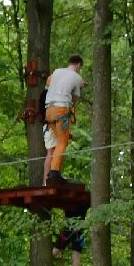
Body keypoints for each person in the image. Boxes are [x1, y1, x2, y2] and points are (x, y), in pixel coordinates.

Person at [45, 55, 85, 188]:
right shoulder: (78, 78)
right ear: (78, 65)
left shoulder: (57, 72)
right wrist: (80, 85)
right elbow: (75, 99)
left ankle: (53, 173)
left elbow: (49, 82)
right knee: (63, 142)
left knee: (56, 143)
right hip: (61, 110)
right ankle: (54, 172)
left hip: (49, 110)